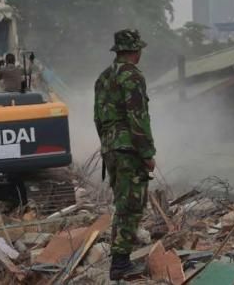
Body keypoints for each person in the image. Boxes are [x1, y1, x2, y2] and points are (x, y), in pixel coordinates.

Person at [93, 29, 156, 280]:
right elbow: (137, 117)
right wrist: (147, 153)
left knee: (122, 203)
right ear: (136, 51)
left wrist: (107, 144)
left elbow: (97, 117)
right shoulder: (132, 76)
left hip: (111, 148)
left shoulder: (104, 77)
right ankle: (120, 264)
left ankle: (120, 260)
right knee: (131, 205)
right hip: (128, 149)